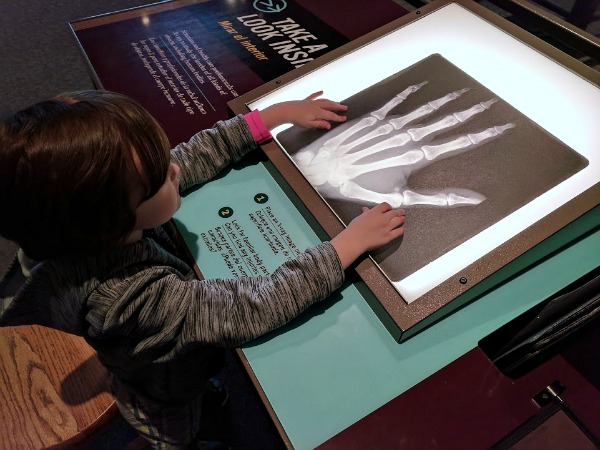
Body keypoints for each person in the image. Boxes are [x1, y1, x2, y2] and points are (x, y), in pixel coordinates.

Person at [0, 90, 406, 449]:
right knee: (177, 430)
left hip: (166, 356)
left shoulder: (93, 224)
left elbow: (188, 157)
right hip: (162, 390)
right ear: (110, 221)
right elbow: (251, 307)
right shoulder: (133, 299)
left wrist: (269, 117)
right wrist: (344, 247)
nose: (174, 168)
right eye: (160, 177)